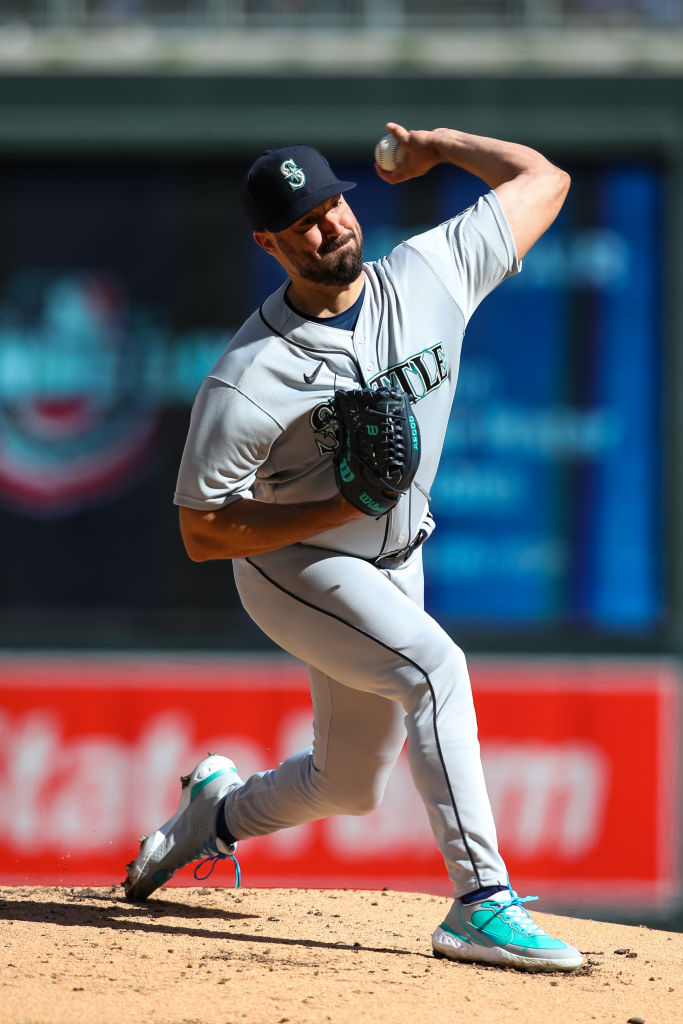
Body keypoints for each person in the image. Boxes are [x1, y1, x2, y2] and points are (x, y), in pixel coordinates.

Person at [124, 122, 582, 972]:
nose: (330, 226)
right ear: (268, 244)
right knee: (435, 670)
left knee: (347, 785)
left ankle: (211, 814)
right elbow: (200, 531)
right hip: (295, 568)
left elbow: (544, 180)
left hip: (398, 560)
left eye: (334, 205)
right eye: (303, 222)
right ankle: (481, 904)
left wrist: (441, 144)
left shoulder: (428, 274)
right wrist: (334, 506)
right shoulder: (250, 374)